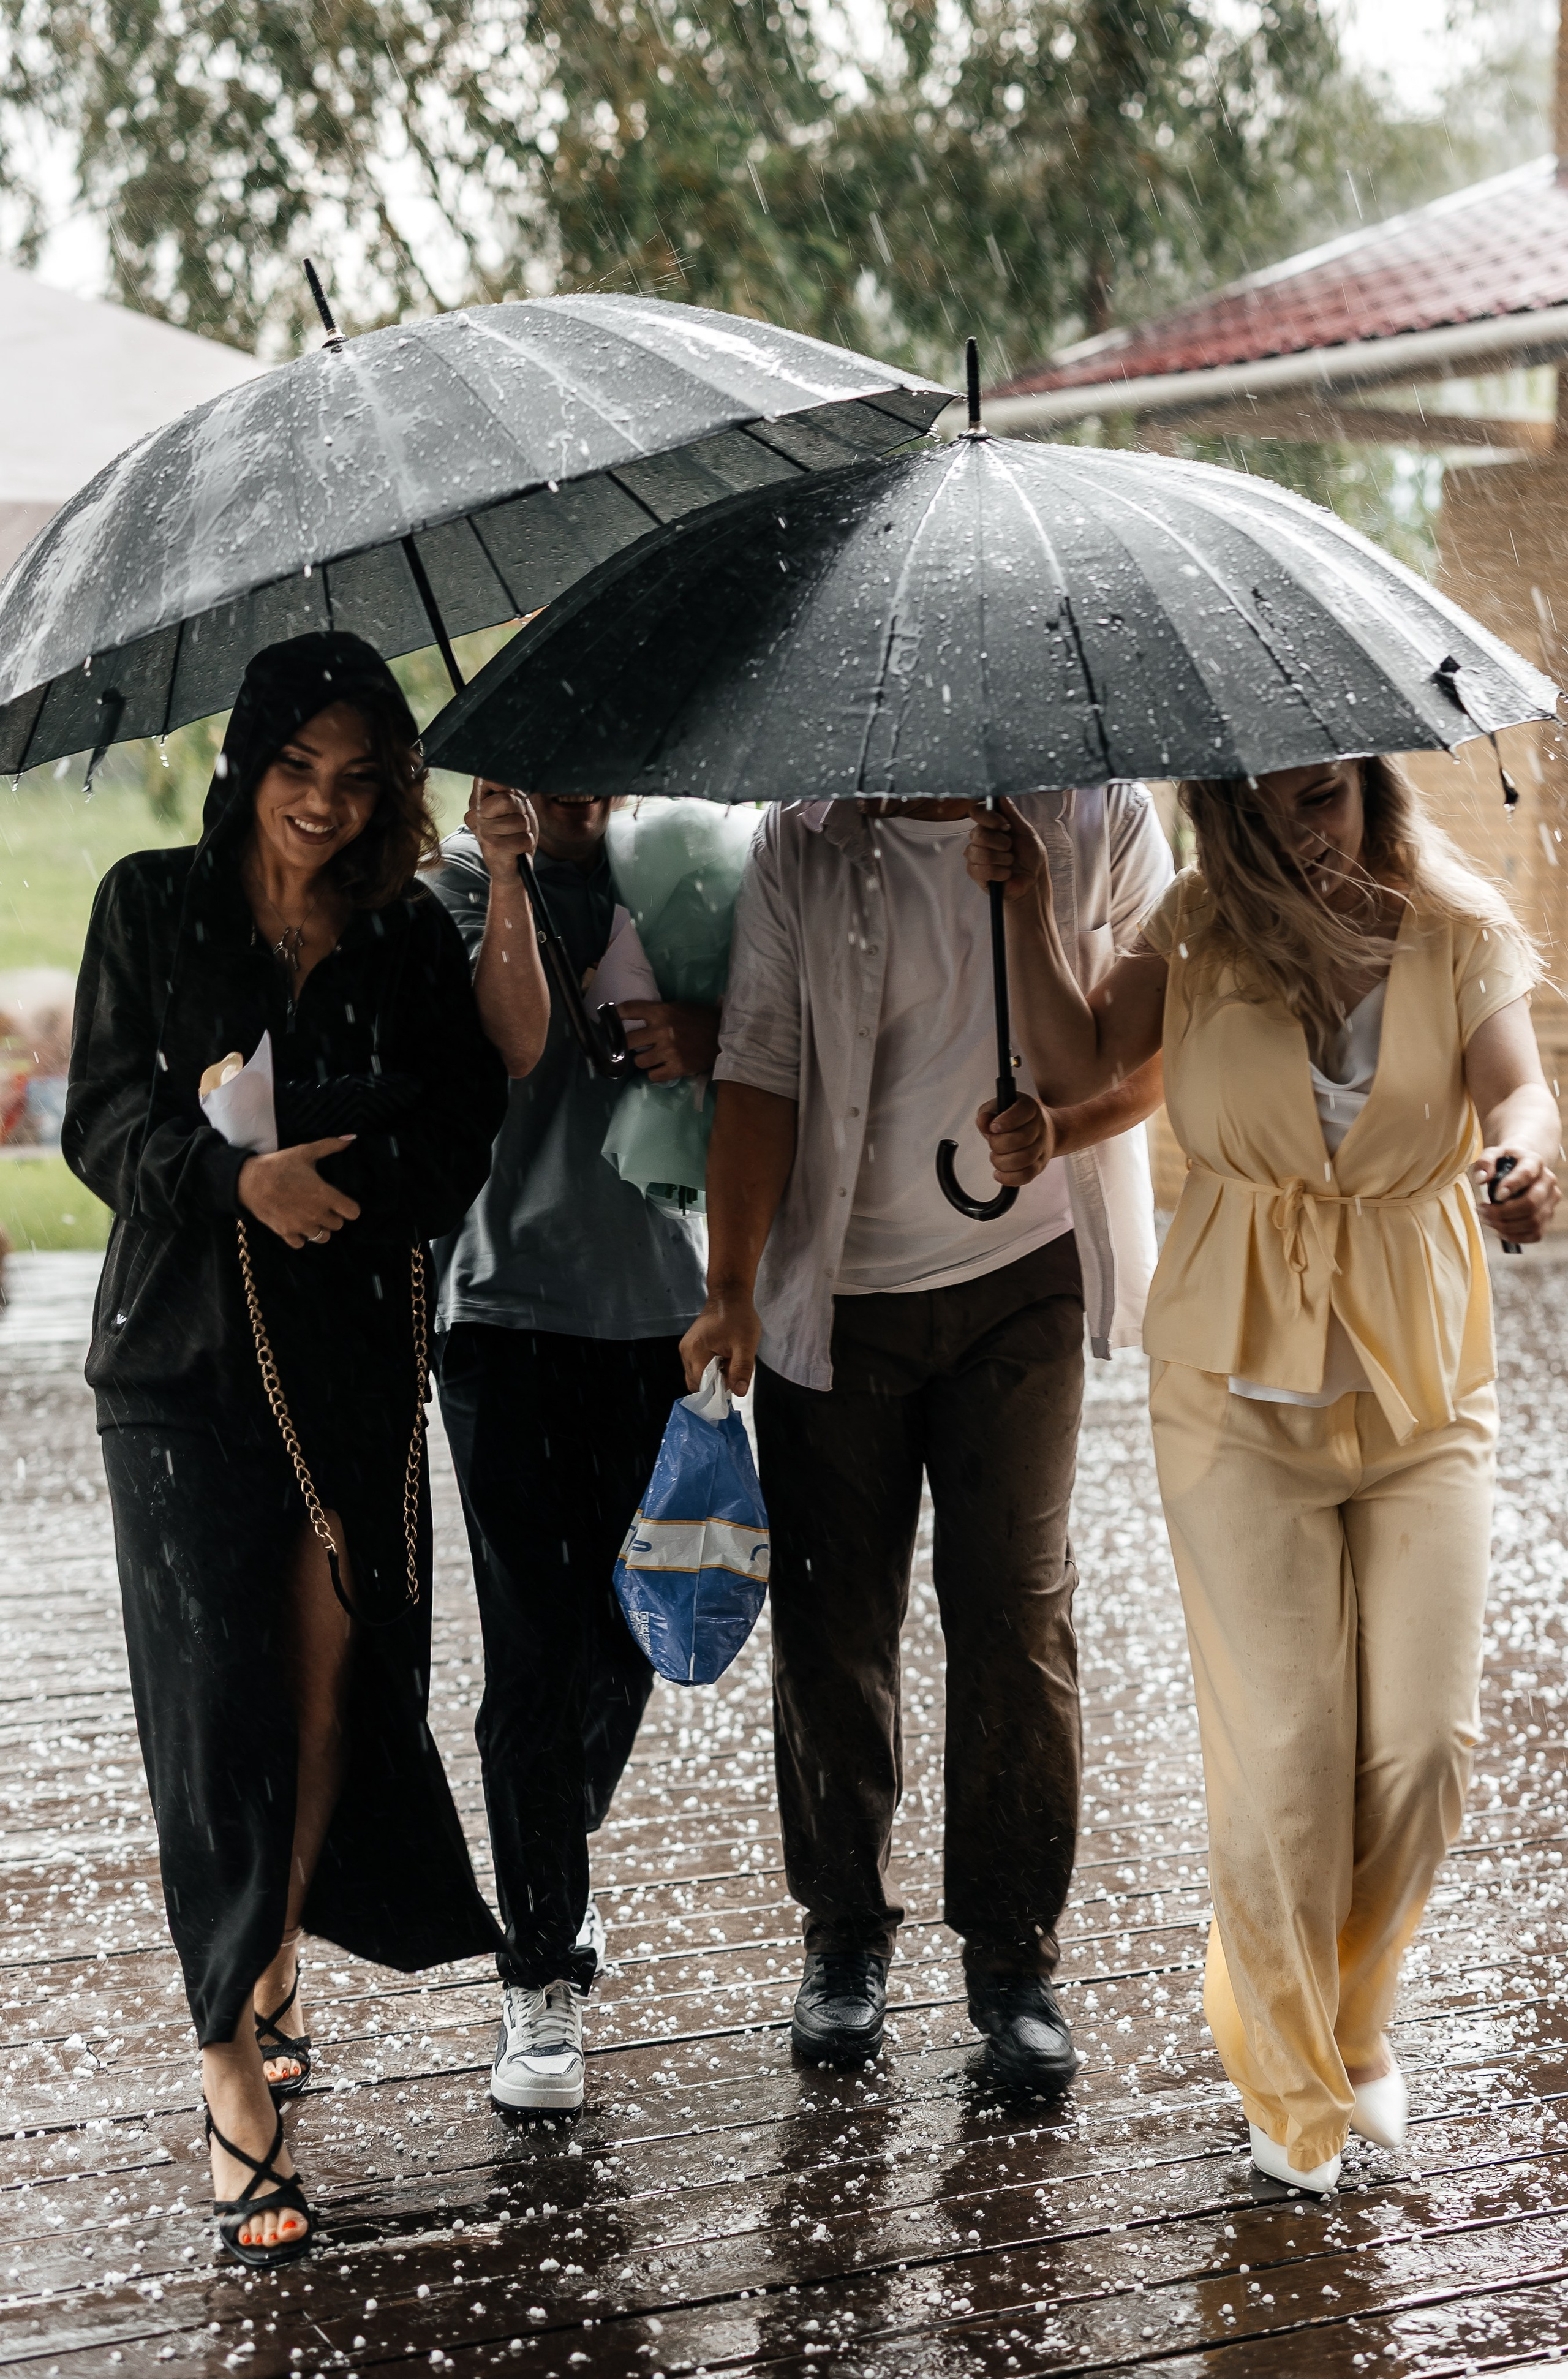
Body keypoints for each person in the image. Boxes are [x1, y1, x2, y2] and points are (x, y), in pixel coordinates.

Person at [967, 755, 1560, 2187]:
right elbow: (1072, 1063)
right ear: (1222, 816)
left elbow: (1519, 1093)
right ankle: (1291, 2081)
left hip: (1420, 1384)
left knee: (1420, 1754)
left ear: (1366, 788)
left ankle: (1341, 2016)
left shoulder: (1455, 923)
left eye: (1324, 801)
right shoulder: (1193, 927)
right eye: (1268, 810)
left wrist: (1525, 1164)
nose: (1302, 835)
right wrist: (1028, 905)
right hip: (1234, 1388)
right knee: (1286, 1759)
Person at [65, 633, 508, 2266]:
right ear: (247, 762)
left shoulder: (404, 929)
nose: (322, 803)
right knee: (211, 1704)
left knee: (336, 1686)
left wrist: (352, 1162)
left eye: (358, 775)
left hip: (352, 1364)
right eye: (294, 768)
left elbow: (466, 1123)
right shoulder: (144, 902)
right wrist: (229, 1173)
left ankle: (268, 1932)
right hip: (176, 1364)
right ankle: (228, 2064)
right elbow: (99, 1114)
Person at [681, 787, 1171, 2090]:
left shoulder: (1096, 818)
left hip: (1024, 1272)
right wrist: (732, 1282)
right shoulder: (805, 842)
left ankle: (1013, 1957)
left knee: (1013, 1612)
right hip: (838, 1289)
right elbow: (760, 1065)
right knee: (833, 1616)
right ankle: (842, 1934)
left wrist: (1060, 1124)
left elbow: (1166, 1040)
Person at [429, 785, 722, 2112]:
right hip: (503, 1313)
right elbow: (503, 1046)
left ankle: (552, 1837)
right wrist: (503, 883)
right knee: (532, 1653)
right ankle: (538, 1969)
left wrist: (704, 1031)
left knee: (631, 1631)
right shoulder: (443, 895)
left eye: (595, 764)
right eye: (539, 767)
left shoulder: (687, 880)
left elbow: (778, 1052)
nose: (571, 792)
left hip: (659, 1312)